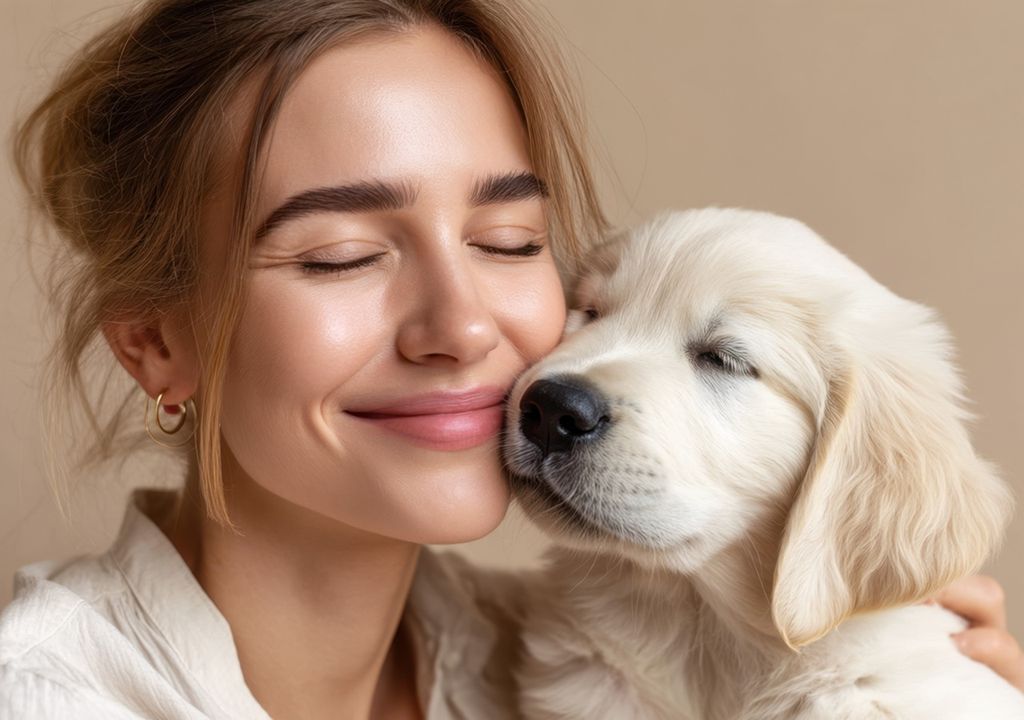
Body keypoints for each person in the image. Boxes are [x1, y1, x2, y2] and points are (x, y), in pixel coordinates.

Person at [0, 1, 1021, 718]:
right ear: (155, 345)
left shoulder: (546, 667)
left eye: (509, 244)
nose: (464, 323)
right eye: (342, 255)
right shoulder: (50, 695)